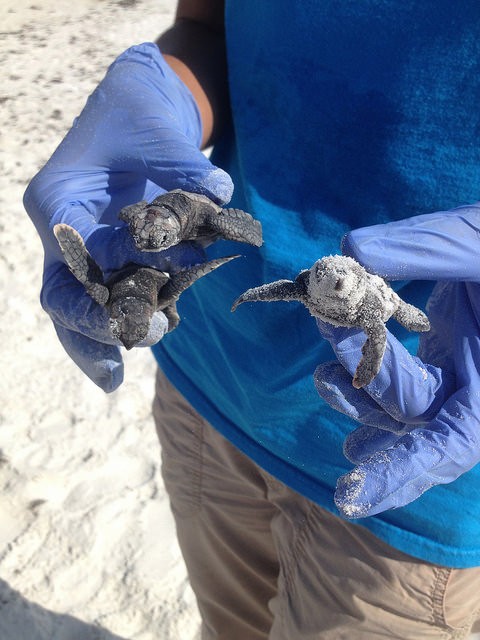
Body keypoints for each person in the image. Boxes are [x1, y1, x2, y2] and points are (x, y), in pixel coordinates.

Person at [23, 1, 480, 637]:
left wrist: (398, 314)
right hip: (209, 377)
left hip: (411, 451)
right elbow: (208, 24)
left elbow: (389, 313)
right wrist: (165, 91)